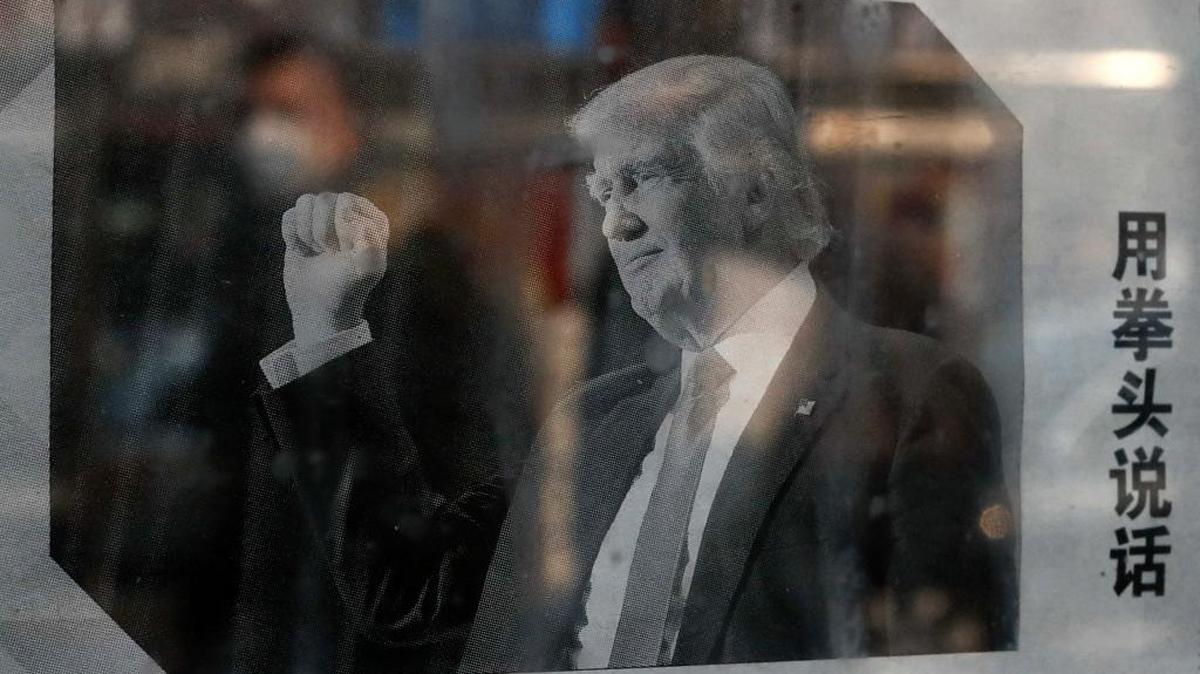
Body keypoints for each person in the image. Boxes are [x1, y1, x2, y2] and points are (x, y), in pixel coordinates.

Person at [245, 55, 1015, 673]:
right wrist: (326, 329)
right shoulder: (601, 417)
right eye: (602, 192)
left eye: (641, 179)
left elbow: (939, 648)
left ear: (753, 191)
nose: (614, 223)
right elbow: (407, 587)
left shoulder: (907, 392)